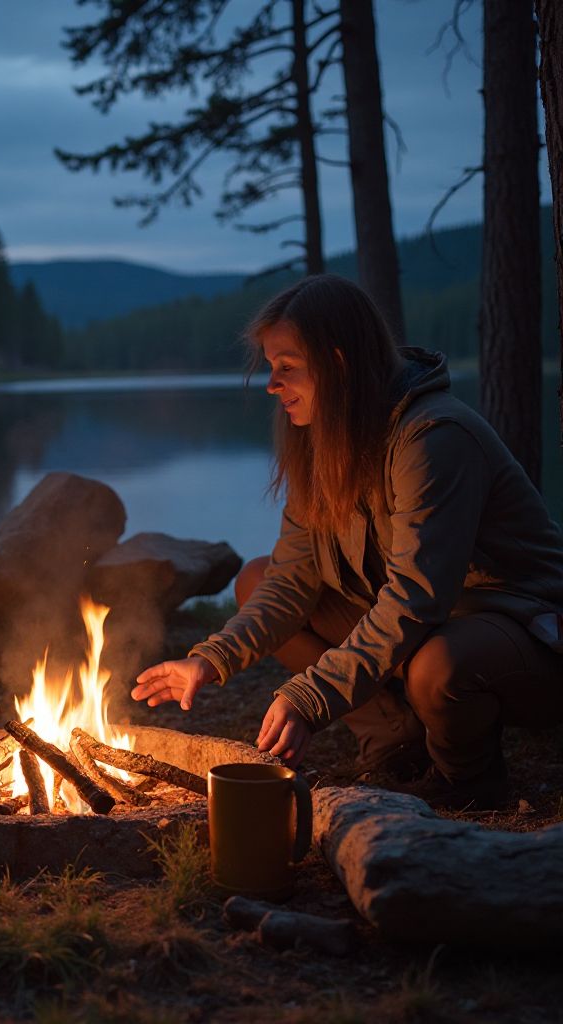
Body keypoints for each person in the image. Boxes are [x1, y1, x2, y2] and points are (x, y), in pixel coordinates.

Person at [132, 274, 563, 811]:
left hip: (524, 635)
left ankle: (467, 786)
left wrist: (311, 697)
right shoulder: (326, 440)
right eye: (270, 368)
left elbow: (414, 599)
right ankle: (396, 739)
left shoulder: (433, 438)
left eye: (286, 368)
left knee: (439, 665)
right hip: (431, 628)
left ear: (337, 362)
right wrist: (211, 658)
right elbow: (289, 582)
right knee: (256, 579)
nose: (272, 385)